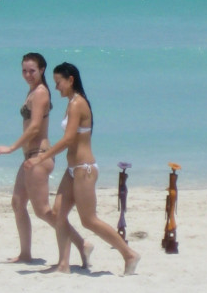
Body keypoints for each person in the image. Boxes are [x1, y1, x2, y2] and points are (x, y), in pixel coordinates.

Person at [24, 62, 140, 275]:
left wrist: (41, 158)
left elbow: (68, 139)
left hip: (84, 169)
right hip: (72, 170)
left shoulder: (78, 103)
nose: (56, 87)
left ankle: (129, 254)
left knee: (89, 220)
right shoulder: (71, 102)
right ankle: (63, 264)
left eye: (58, 82)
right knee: (58, 214)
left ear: (70, 80)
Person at [0, 53, 91, 266]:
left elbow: (35, 126)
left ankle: (81, 243)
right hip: (30, 157)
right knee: (18, 203)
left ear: (42, 70)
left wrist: (11, 148)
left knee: (43, 211)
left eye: (32, 71)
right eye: (24, 71)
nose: (28, 74)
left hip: (39, 156)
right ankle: (25, 253)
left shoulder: (40, 92)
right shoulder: (33, 91)